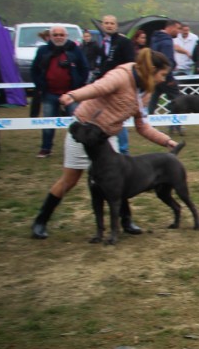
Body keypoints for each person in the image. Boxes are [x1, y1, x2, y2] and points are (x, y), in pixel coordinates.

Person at [30, 49, 183, 239]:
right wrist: (74, 96)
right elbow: (98, 88)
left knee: (118, 177)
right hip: (85, 130)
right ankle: (41, 220)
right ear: (152, 70)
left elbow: (142, 126)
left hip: (106, 137)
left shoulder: (146, 91)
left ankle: (126, 221)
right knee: (70, 179)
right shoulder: (121, 76)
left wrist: (166, 141)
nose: (163, 79)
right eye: (162, 74)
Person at [31, 25, 90, 158]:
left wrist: (79, 85)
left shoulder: (75, 49)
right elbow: (34, 70)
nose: (58, 37)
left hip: (71, 94)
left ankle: (79, 148)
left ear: (66, 36)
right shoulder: (42, 50)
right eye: (55, 35)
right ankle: (46, 148)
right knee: (48, 122)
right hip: (49, 93)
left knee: (77, 121)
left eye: (61, 35)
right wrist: (40, 85)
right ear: (50, 36)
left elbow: (84, 68)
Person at [97, 15, 137, 154]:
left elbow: (131, 62)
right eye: (106, 23)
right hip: (105, 84)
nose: (109, 26)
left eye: (112, 23)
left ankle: (123, 150)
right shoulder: (103, 42)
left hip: (119, 85)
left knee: (117, 118)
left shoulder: (124, 42)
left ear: (116, 26)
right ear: (102, 25)